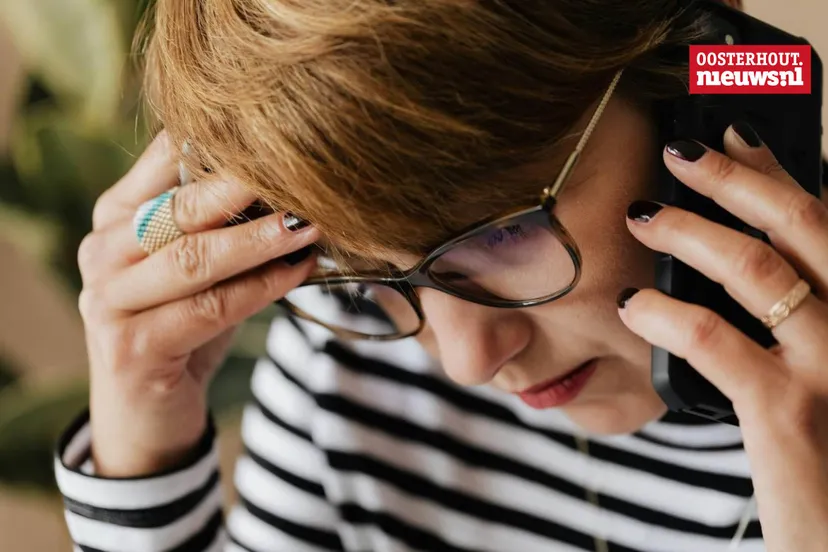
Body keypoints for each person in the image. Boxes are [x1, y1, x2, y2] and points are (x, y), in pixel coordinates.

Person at [55, 0, 828, 551]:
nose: (467, 361)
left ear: (701, 83)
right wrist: (141, 458)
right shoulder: (350, 347)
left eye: (504, 232)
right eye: (365, 272)